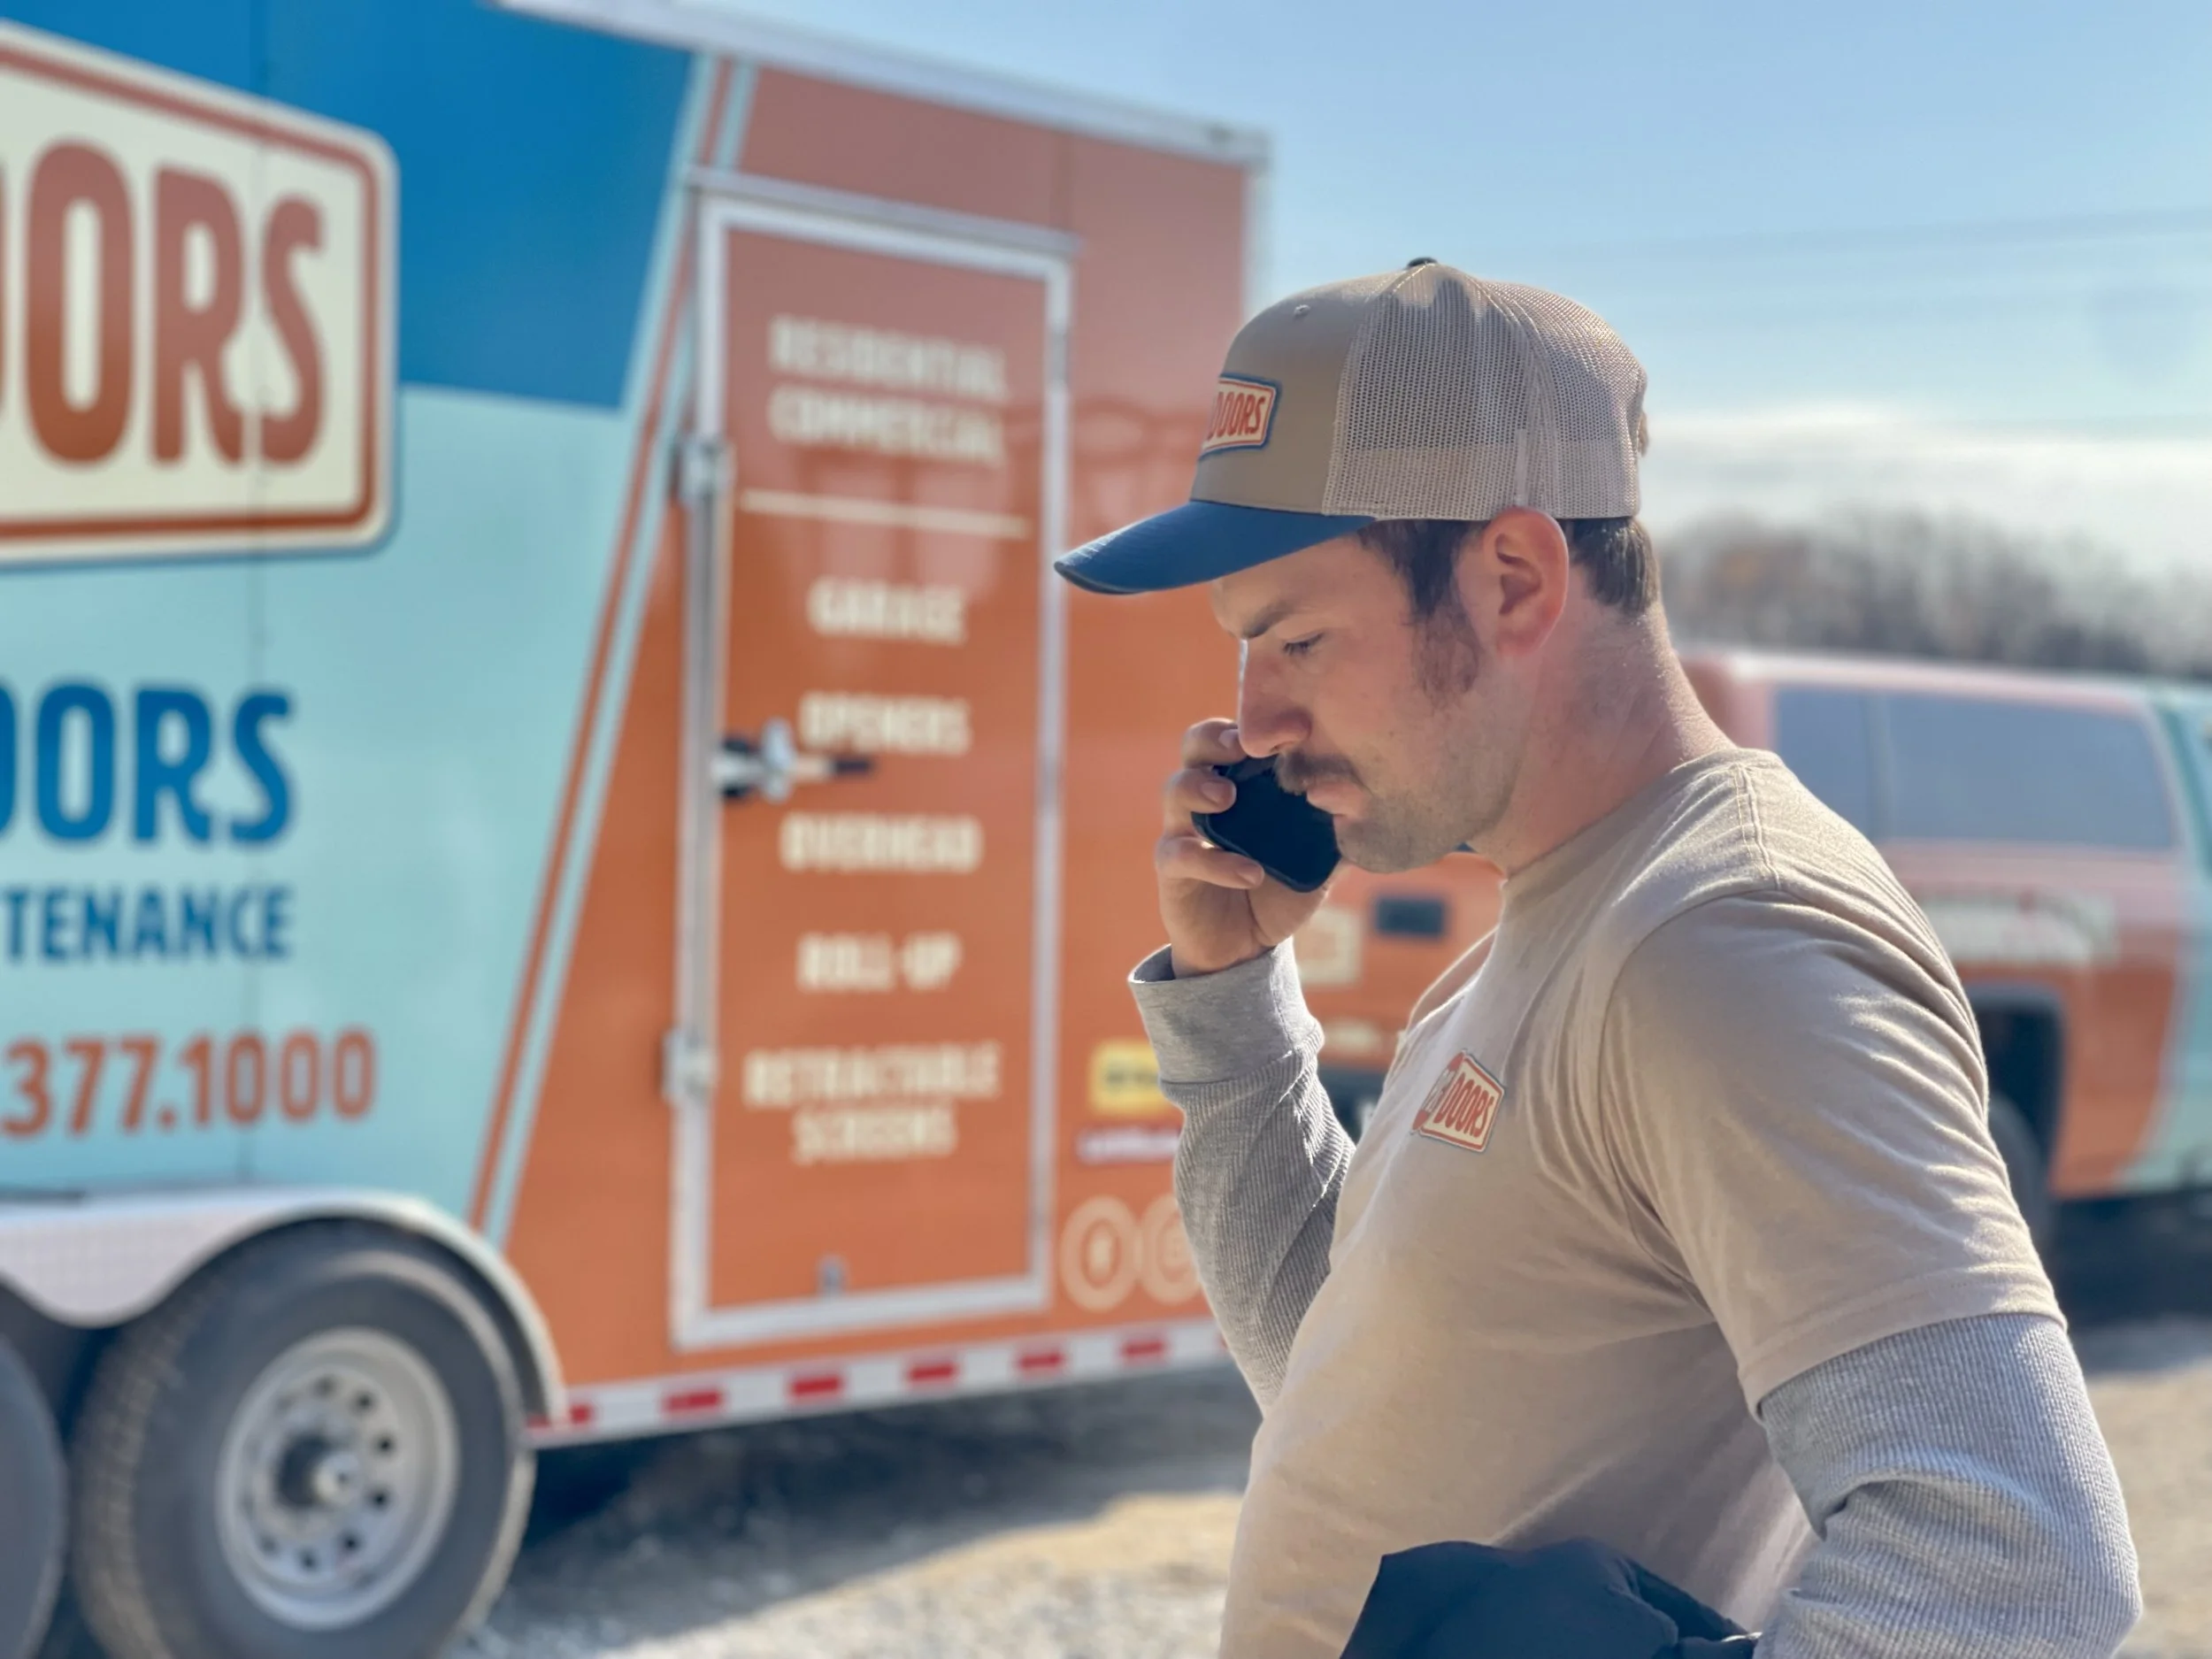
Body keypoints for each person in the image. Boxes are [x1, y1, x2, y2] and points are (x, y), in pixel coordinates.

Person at [1054, 260, 2141, 1658]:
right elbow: (1342, 1369)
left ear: (1512, 575)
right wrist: (1232, 1006)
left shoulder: (1725, 935)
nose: (1254, 720)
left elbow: (2018, 1564)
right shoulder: (1558, 922)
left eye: (1300, 638)